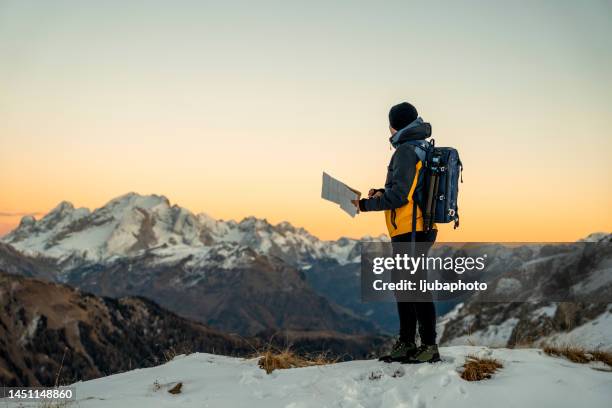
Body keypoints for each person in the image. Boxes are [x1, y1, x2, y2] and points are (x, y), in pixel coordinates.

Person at [352, 102, 440, 364]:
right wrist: (382, 192)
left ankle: (427, 346)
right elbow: (409, 190)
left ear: (395, 125)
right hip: (419, 226)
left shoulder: (405, 151)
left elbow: (400, 197)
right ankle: (407, 343)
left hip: (410, 228)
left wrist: (365, 205)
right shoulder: (421, 146)